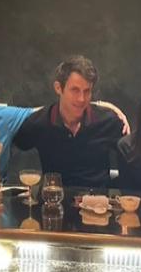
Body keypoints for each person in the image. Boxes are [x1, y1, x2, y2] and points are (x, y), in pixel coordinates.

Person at [14, 56, 127, 188]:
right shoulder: (40, 122)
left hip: (97, 204)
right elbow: (16, 141)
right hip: (53, 200)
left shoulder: (109, 121)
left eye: (87, 91)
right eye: (75, 90)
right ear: (58, 88)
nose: (81, 99)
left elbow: (131, 156)